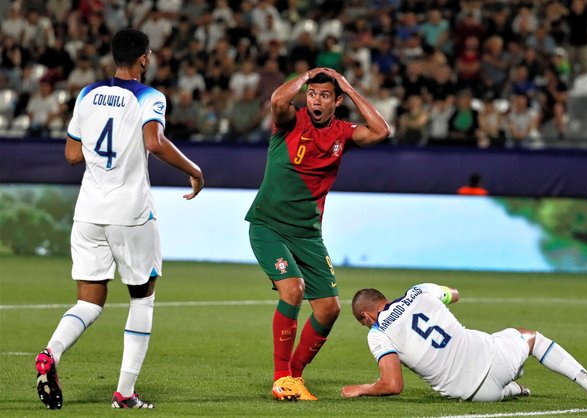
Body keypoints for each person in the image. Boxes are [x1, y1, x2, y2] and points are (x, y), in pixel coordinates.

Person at [34, 29, 204, 410]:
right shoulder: (150, 97)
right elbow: (155, 142)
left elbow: (72, 155)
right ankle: (124, 393)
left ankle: (51, 352)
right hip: (129, 213)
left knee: (89, 302)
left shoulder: (86, 94)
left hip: (88, 212)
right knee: (142, 298)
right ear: (144, 58)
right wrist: (195, 170)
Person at [245, 67, 390, 401]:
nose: (316, 100)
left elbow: (381, 130)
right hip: (268, 226)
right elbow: (277, 98)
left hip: (308, 234)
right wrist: (309, 75)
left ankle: (294, 376)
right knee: (293, 290)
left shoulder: (342, 133)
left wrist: (350, 87)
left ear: (336, 101)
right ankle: (281, 378)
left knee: (329, 309)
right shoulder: (289, 122)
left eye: (325, 95)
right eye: (312, 94)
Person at [342, 283, 587, 403]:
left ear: (366, 315)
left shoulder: (378, 333)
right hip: (493, 358)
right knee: (530, 337)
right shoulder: (419, 291)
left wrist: (364, 389)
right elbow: (455, 294)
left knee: (490, 363)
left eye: (362, 321)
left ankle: (513, 389)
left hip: (474, 395)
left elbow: (393, 384)